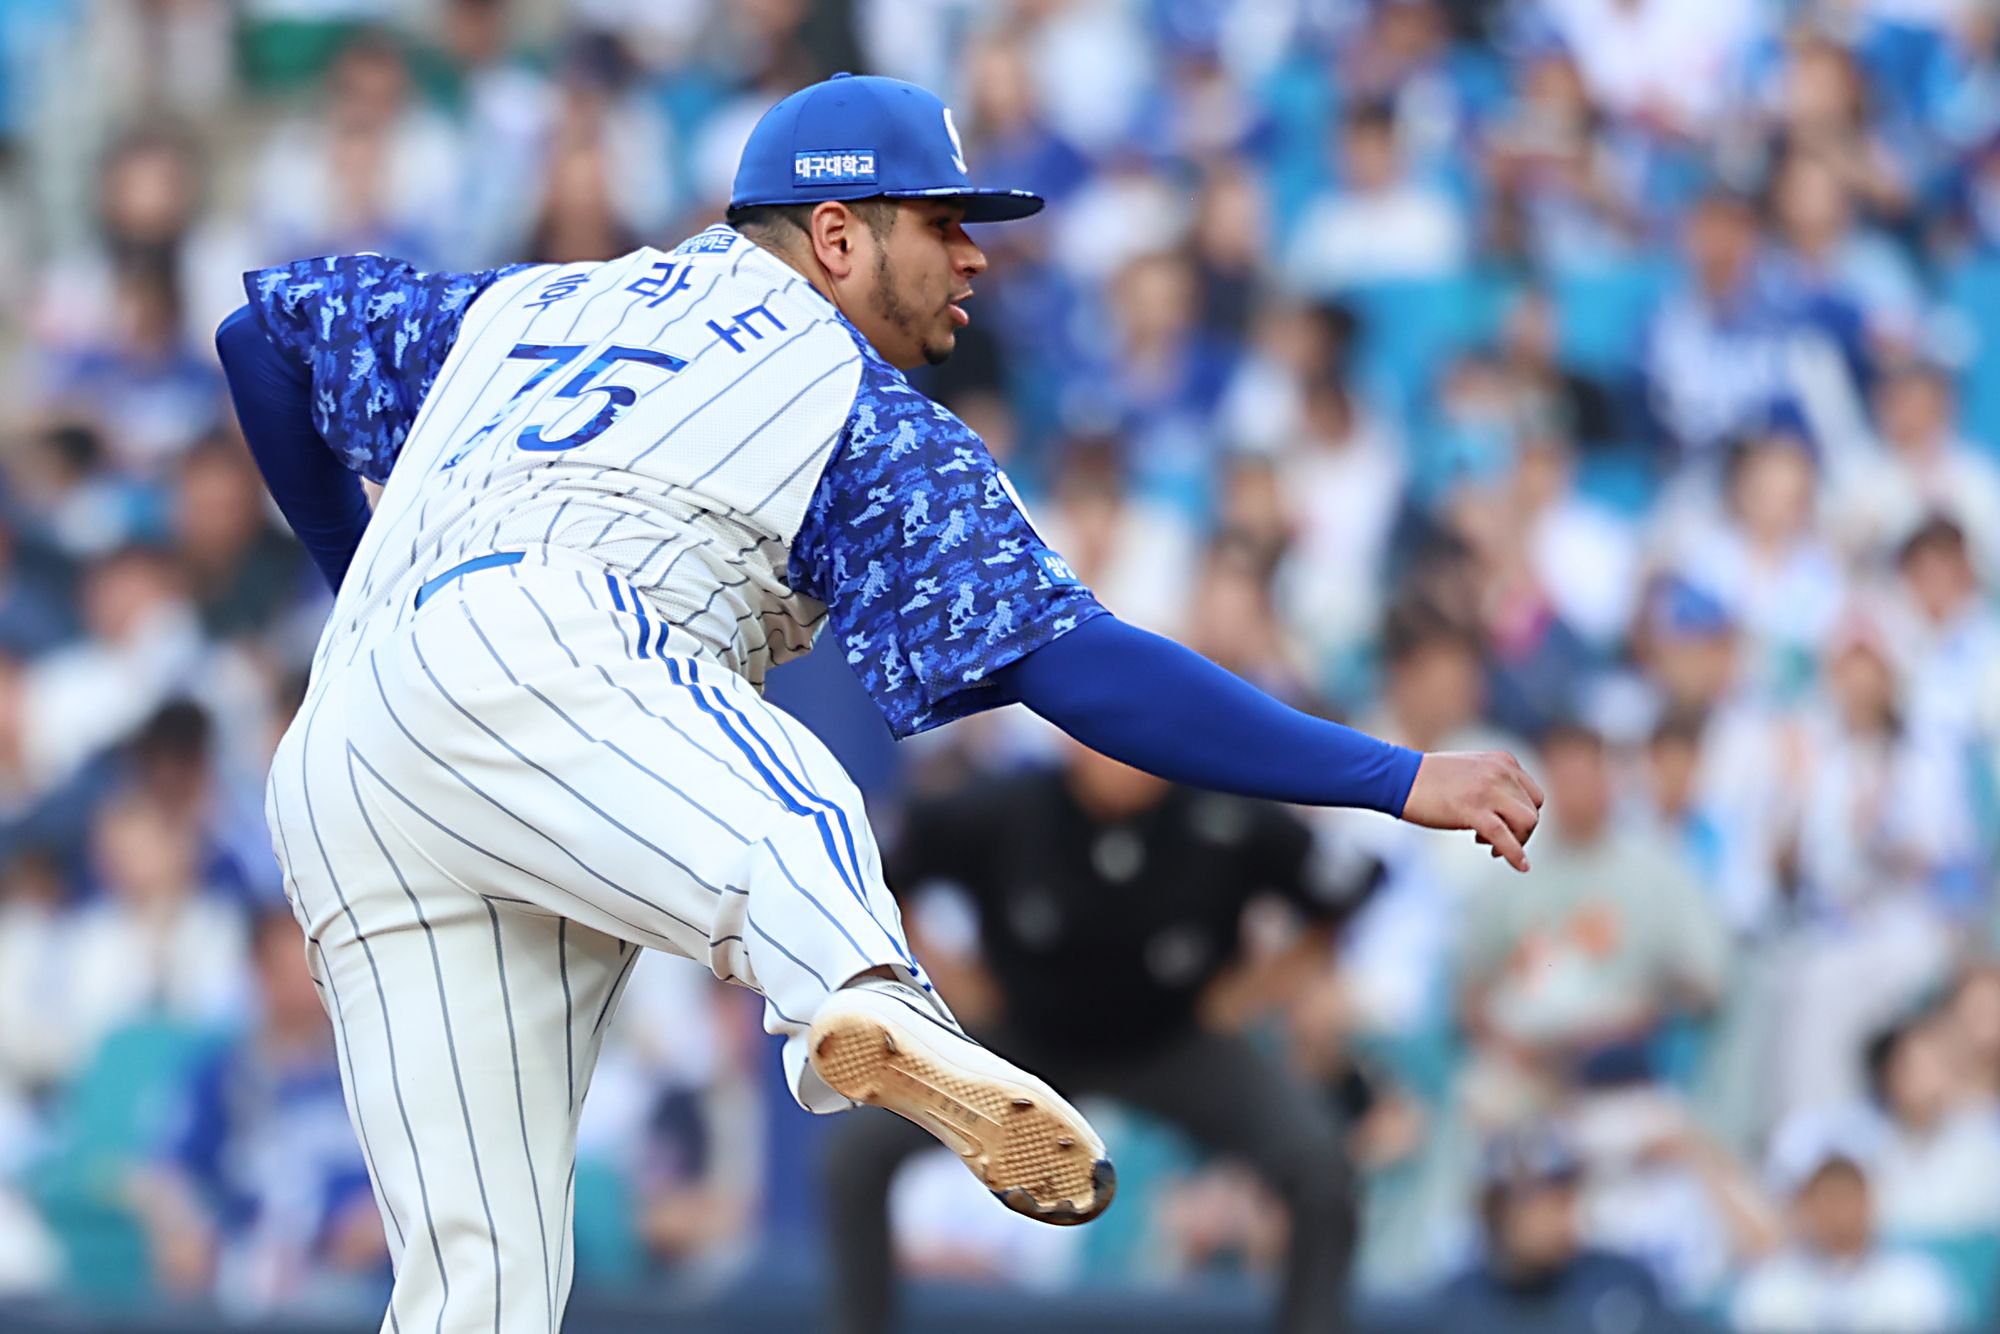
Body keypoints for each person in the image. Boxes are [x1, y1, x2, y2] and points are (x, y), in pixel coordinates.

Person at [214, 72, 1542, 1333]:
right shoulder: (844, 391)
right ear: (838, 234)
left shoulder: (532, 301)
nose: (974, 257)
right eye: (943, 223)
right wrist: (1394, 773)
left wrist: (361, 593)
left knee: (480, 1285)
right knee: (804, 806)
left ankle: (861, 1003)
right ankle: (865, 994)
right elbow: (1085, 669)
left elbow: (261, 338)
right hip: (550, 641)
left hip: (347, 756)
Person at [823, 741, 1366, 1334]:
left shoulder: (1225, 815)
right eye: (1105, 733)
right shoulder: (1009, 806)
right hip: (1021, 1043)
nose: (1121, 755)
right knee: (856, 1155)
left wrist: (1254, 990)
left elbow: (1346, 890)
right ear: (1071, 738)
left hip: (1173, 1042)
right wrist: (942, 976)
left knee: (1318, 1164)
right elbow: (875, 861)